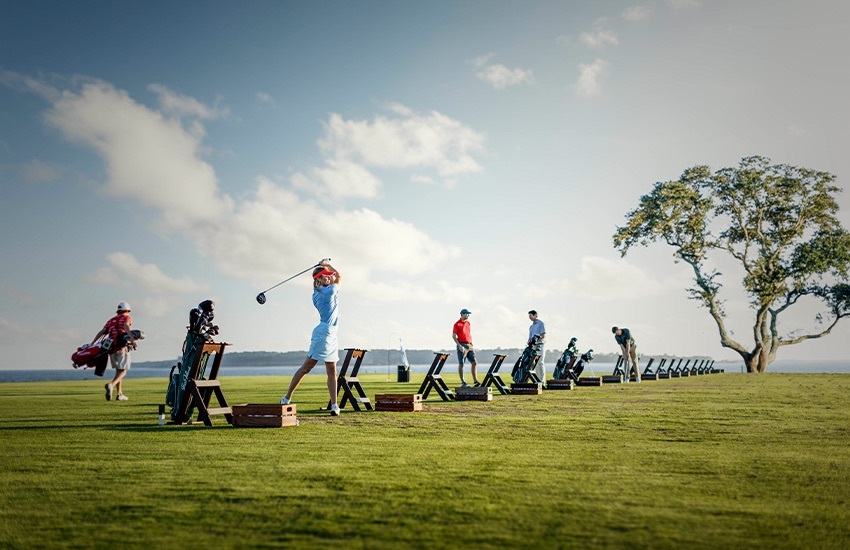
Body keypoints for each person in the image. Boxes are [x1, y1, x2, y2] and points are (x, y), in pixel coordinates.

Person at [280, 260, 342, 416]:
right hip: (323, 334)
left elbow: (335, 277)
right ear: (318, 279)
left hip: (332, 334)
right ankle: (286, 398)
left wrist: (325, 268)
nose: (329, 277)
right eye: (325, 276)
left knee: (332, 371)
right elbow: (339, 276)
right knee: (307, 367)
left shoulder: (319, 291)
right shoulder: (327, 292)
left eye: (329, 275)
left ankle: (334, 406)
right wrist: (327, 264)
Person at [92, 301, 136, 401]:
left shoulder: (111, 320)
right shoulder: (126, 317)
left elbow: (102, 332)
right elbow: (126, 327)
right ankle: (111, 385)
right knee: (123, 371)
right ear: (128, 310)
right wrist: (133, 340)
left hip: (111, 348)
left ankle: (119, 394)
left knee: (118, 371)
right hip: (122, 346)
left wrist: (92, 343)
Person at [452, 308, 480, 387]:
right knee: (461, 363)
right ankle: (463, 382)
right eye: (467, 314)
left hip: (470, 345)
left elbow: (467, 334)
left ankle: (475, 382)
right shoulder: (457, 324)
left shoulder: (468, 323)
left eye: (468, 314)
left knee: (474, 363)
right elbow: (454, 336)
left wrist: (471, 344)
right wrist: (459, 345)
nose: (468, 315)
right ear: (462, 314)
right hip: (462, 345)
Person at [528, 310, 546, 381]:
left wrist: (536, 340)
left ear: (535, 315)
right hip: (533, 347)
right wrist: (529, 341)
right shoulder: (531, 326)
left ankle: (542, 381)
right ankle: (537, 381)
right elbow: (530, 337)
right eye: (529, 316)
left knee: (540, 363)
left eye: (530, 315)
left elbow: (543, 335)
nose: (529, 317)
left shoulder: (541, 324)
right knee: (535, 364)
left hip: (540, 346)